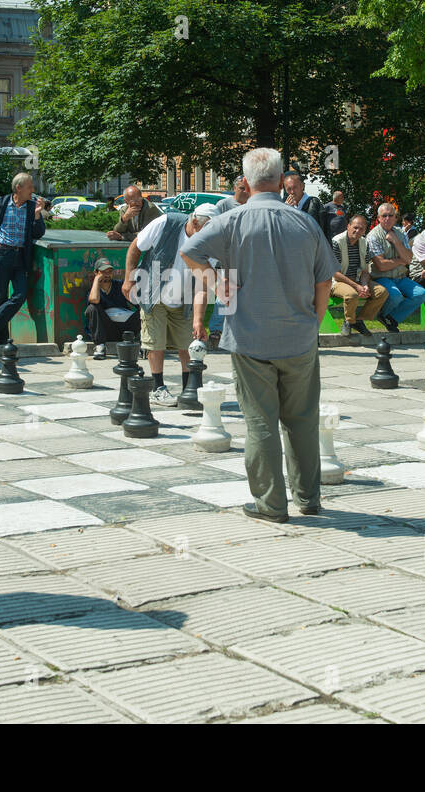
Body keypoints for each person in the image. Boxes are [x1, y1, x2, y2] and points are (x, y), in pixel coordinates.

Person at [181, 147, 337, 522]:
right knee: (302, 420)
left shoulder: (234, 220)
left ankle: (271, 505)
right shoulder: (304, 222)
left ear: (247, 180)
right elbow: (324, 280)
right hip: (299, 337)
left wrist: (217, 283)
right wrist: (313, 323)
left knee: (261, 423)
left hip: (250, 339)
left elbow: (190, 251)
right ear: (282, 179)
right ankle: (308, 498)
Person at [122, 205, 215, 406]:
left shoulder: (210, 245)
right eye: (207, 231)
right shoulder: (166, 223)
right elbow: (136, 246)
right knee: (155, 343)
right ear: (195, 222)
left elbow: (202, 286)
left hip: (184, 299)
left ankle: (188, 388)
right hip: (154, 294)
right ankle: (158, 388)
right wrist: (129, 279)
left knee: (187, 343)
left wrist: (199, 320)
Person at [0, 172, 47, 345]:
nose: (33, 190)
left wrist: (38, 214)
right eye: (30, 186)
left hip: (21, 256)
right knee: (0, 296)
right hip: (2, 253)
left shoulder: (32, 207)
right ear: (19, 188)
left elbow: (39, 232)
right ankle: (0, 338)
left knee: (20, 295)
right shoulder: (0, 203)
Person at [366, 204, 425, 332]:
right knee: (396, 296)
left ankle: (390, 318)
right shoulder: (373, 236)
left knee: (421, 294)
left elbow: (409, 259)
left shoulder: (401, 233)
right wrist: (401, 260)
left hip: (399, 277)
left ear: (395, 218)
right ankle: (383, 315)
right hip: (381, 278)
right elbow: (381, 266)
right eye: (384, 216)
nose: (387, 218)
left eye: (390, 215)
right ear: (378, 218)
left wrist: (396, 242)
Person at [331, 214, 389, 336]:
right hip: (337, 281)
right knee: (352, 294)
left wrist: (364, 285)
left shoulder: (364, 243)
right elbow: (335, 273)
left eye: (361, 229)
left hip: (357, 279)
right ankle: (349, 322)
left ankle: (359, 320)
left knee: (381, 292)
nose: (358, 231)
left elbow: (365, 271)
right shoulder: (336, 242)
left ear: (365, 231)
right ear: (348, 226)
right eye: (355, 227)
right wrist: (357, 287)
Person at [210, 177, 250, 345]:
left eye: (247, 188)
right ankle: (216, 330)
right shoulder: (224, 205)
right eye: (241, 188)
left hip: (248, 256)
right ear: (234, 188)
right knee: (225, 292)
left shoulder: (252, 205)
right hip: (228, 257)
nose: (245, 191)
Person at [85, 256, 139, 358]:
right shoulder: (93, 291)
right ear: (96, 272)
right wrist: (96, 280)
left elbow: (136, 303)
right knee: (92, 308)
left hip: (124, 329)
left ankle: (139, 343)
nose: (107, 275)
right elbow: (94, 300)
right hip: (106, 330)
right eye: (103, 272)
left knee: (144, 310)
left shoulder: (120, 286)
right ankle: (100, 346)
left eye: (109, 272)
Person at [283, 171, 326, 237]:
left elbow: (322, 230)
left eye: (295, 187)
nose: (292, 192)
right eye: (289, 189)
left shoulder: (314, 203)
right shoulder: (286, 207)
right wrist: (286, 212)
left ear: (302, 186)